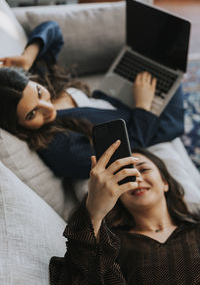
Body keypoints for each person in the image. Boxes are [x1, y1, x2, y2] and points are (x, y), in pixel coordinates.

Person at [0, 20, 184, 179]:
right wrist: (143, 105)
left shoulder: (32, 84)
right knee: (170, 57)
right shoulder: (58, 148)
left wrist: (27, 57)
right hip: (149, 125)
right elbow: (125, 151)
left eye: (40, 93)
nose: (47, 108)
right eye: (32, 114)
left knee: (157, 34)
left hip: (116, 99)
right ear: (18, 125)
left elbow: (52, 29)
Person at [49, 144, 200, 284]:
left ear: (165, 182)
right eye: (125, 176)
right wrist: (94, 212)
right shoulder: (111, 245)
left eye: (144, 169)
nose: (137, 178)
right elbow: (78, 277)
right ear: (117, 194)